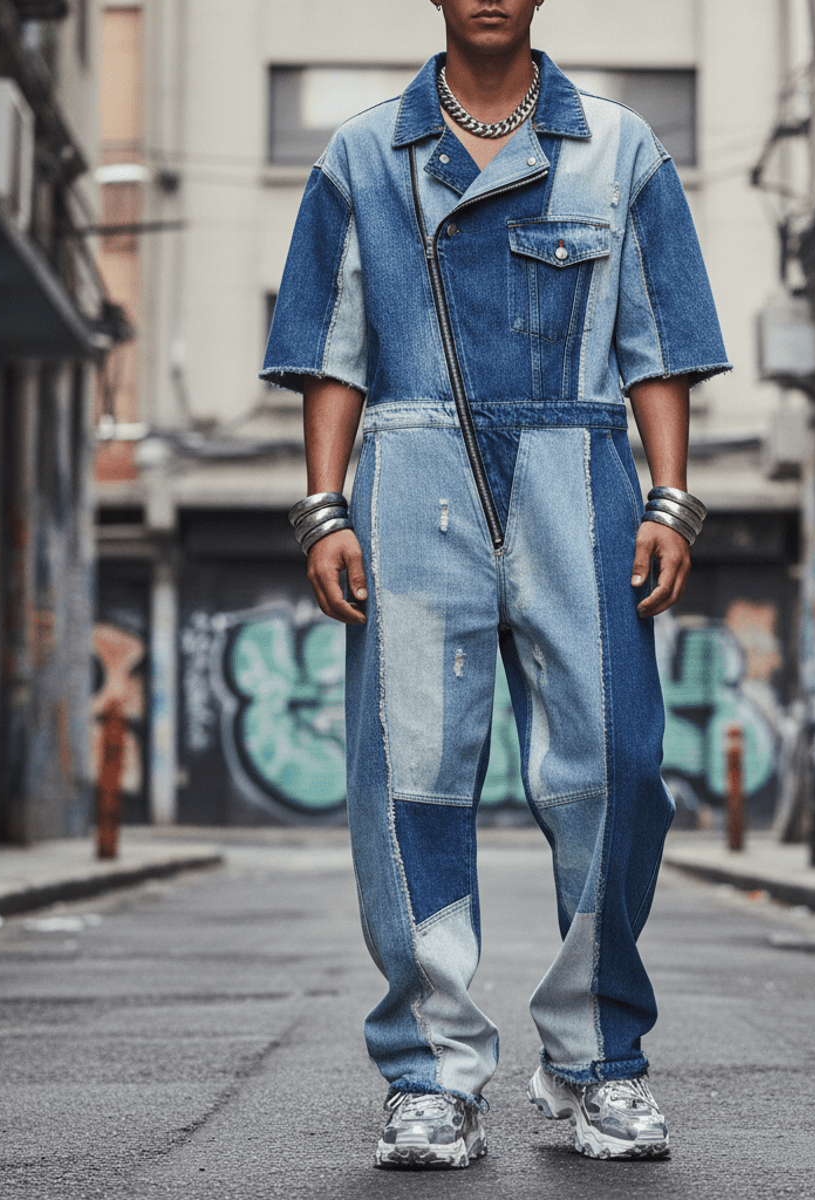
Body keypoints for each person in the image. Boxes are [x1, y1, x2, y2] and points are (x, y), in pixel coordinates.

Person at [261, 0, 728, 1169]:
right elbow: (334, 345)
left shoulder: (619, 147)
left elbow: (656, 338)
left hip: (582, 472)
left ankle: (596, 1065)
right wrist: (324, 509)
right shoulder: (365, 152)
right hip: (412, 479)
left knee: (616, 768)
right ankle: (431, 1076)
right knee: (411, 779)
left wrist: (672, 498)